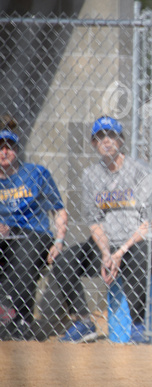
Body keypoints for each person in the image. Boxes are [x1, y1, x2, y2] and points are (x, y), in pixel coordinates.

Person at [48, 116, 152, 343]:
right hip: (105, 244)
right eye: (100, 137)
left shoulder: (140, 170)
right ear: (94, 144)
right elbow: (94, 221)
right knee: (64, 261)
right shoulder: (90, 175)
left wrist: (120, 252)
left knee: (143, 254)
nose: (106, 141)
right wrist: (106, 253)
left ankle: (137, 325)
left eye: (111, 135)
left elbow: (148, 222)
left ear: (121, 140)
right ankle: (84, 322)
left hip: (133, 243)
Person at [0, 114, 68, 340]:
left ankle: (17, 319)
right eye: (0, 147)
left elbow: (58, 210)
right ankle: (18, 320)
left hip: (35, 233)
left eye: (10, 147)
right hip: (5, 237)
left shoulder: (36, 173)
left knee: (23, 258)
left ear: (17, 150)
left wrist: (59, 241)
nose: (5, 152)